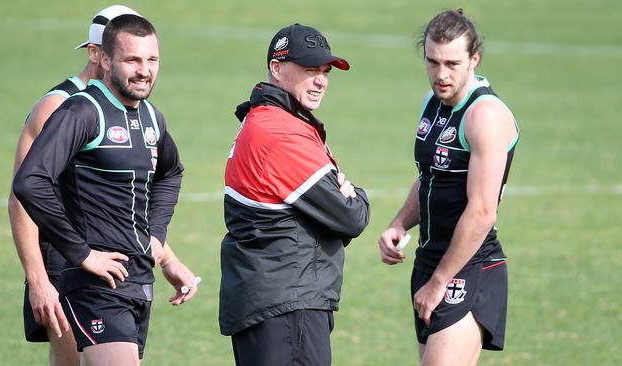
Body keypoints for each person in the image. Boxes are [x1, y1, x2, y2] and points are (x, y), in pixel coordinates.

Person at [13, 14, 192, 365]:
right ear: (104, 59)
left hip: (138, 280)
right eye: (132, 60)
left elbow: (171, 173)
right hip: (94, 283)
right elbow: (29, 182)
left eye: (151, 60)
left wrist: (158, 241)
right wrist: (80, 254)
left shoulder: (152, 118)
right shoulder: (80, 110)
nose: (144, 70)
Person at [219, 23, 370, 366]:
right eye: (309, 70)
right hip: (288, 305)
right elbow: (351, 216)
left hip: (275, 299)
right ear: (276, 68)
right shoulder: (281, 133)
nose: (320, 80)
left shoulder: (269, 120)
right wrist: (355, 193)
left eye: (325, 71)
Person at [377, 9, 519, 366]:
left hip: (468, 267)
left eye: (452, 63)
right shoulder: (433, 104)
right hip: (429, 259)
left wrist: (440, 281)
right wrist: (398, 223)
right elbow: (429, 176)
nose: (441, 74)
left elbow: (483, 210)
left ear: (475, 58)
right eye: (432, 62)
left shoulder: (484, 115)